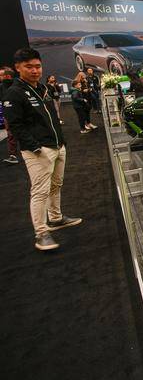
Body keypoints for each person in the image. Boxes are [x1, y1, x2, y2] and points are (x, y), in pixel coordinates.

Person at [3, 48, 82, 251]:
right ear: (18, 67)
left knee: (56, 185)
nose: (34, 70)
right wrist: (35, 147)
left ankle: (55, 218)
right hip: (38, 151)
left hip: (57, 146)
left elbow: (52, 118)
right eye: (29, 67)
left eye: (37, 66)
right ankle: (41, 233)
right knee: (40, 191)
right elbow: (15, 126)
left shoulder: (43, 88)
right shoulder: (14, 93)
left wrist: (61, 141)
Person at [1, 66, 19, 164]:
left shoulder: (18, 84)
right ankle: (13, 156)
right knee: (11, 134)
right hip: (8, 114)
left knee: (29, 130)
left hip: (21, 113)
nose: (0, 77)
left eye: (1, 75)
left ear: (7, 76)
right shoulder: (1, 86)